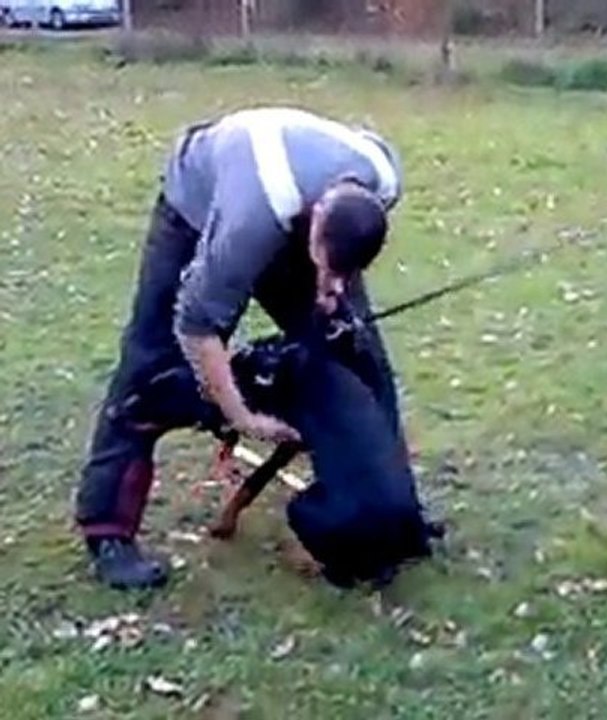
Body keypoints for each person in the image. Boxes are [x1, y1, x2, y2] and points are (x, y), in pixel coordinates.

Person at [75, 107, 407, 591]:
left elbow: (342, 255)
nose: (335, 284)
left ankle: (395, 514)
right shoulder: (250, 219)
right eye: (328, 270)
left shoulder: (380, 179)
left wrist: (330, 291)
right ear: (314, 226)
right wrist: (242, 416)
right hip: (198, 204)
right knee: (150, 371)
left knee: (359, 356)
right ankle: (108, 532)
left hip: (297, 204)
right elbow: (197, 325)